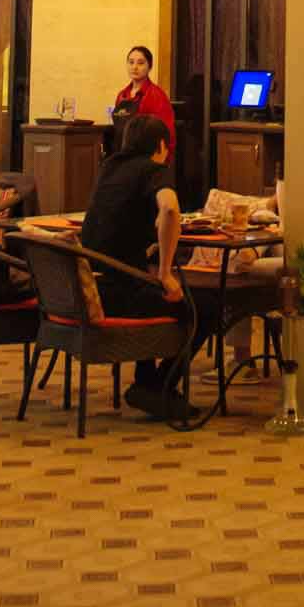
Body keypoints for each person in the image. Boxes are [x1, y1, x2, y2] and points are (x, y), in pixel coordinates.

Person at [79, 110, 189, 419]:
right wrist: (165, 272)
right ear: (160, 146)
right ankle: (157, 387)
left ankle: (147, 381)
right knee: (199, 310)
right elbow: (170, 210)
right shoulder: (154, 169)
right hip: (119, 293)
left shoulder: (109, 167)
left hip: (91, 289)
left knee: (149, 287)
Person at [108, 45, 176, 149]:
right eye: (131, 62)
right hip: (123, 152)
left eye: (140, 63)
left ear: (150, 67)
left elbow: (167, 133)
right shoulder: (122, 95)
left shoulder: (157, 95)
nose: (135, 67)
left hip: (147, 154)